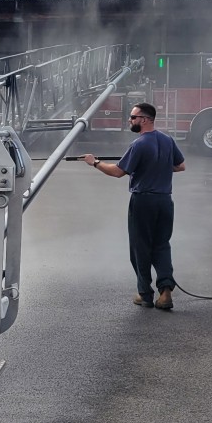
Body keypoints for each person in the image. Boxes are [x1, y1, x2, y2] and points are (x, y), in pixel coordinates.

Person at [82, 102, 185, 310]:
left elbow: (117, 171)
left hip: (143, 201)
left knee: (140, 247)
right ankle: (165, 293)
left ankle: (144, 294)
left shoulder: (139, 144)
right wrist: (158, 167)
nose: (130, 120)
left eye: (133, 117)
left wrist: (94, 162)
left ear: (145, 120)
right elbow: (180, 166)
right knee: (162, 245)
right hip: (165, 201)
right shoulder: (167, 140)